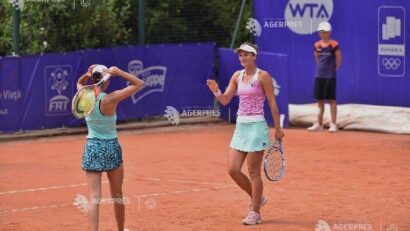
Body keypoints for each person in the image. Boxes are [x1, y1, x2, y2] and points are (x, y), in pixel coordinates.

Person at [206, 42, 284, 225]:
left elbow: (272, 103)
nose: (242, 58)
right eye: (240, 55)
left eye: (246, 54)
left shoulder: (263, 76)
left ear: (254, 56)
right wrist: (216, 91)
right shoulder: (236, 76)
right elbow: (225, 100)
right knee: (233, 169)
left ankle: (255, 211)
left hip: (257, 126)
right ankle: (258, 198)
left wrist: (278, 128)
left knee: (254, 172)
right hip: (241, 127)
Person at [77, 64, 144, 231]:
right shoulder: (111, 98)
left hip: (92, 147)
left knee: (94, 197)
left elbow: (79, 83)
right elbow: (139, 83)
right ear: (106, 81)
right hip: (111, 147)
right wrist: (119, 72)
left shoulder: (84, 95)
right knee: (117, 196)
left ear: (93, 79)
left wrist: (87, 74)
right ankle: (121, 230)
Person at [308, 21, 342, 132]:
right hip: (319, 75)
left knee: (332, 100)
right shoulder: (316, 45)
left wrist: (333, 69)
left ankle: (333, 124)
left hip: (330, 76)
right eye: (321, 32)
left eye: (325, 32)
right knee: (320, 100)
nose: (323, 34)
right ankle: (319, 124)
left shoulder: (334, 44)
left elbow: (339, 59)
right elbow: (317, 59)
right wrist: (322, 69)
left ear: (330, 32)